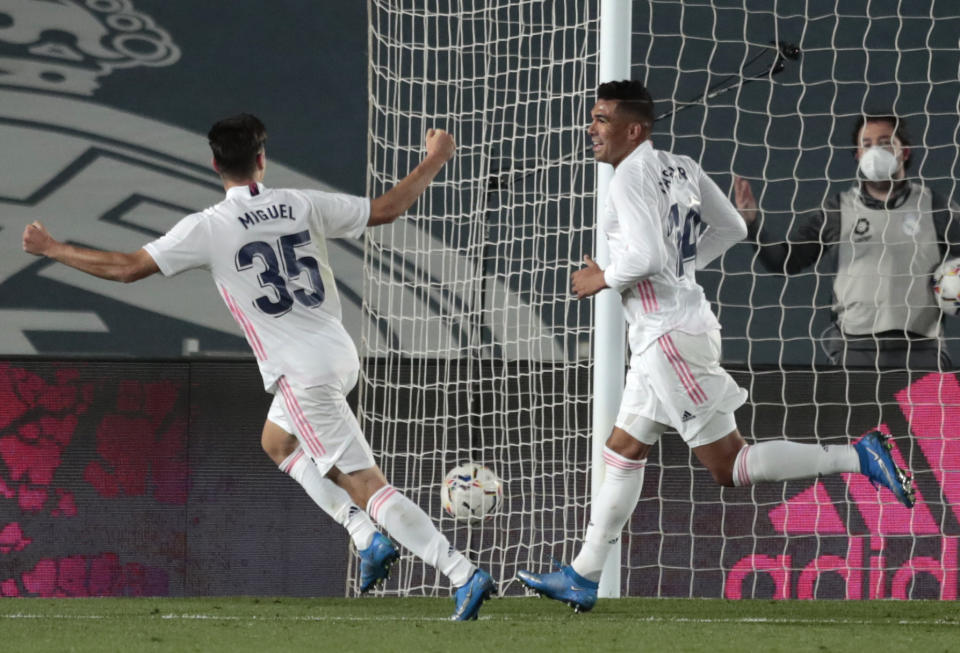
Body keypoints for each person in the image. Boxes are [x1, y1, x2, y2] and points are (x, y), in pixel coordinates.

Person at [21, 113, 494, 620]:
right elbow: (387, 209)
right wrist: (437, 158)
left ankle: (460, 572)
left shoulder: (208, 227)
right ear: (261, 161)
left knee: (364, 483)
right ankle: (365, 537)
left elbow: (129, 268)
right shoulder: (299, 202)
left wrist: (52, 249)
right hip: (339, 353)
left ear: (214, 165)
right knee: (277, 442)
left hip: (301, 373)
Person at [515, 81, 915, 613]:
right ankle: (583, 575)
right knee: (623, 447)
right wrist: (683, 270)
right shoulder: (679, 165)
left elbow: (647, 256)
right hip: (669, 329)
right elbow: (730, 227)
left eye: (602, 119)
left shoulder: (627, 179)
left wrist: (603, 277)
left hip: (668, 338)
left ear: (633, 129)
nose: (592, 129)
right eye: (593, 117)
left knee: (729, 466)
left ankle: (855, 455)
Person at [734, 113, 960, 369]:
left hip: (922, 350)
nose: (876, 151)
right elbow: (783, 261)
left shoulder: (936, 207)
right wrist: (753, 224)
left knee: (939, 413)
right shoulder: (837, 211)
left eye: (885, 143)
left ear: (904, 152)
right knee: (854, 411)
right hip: (855, 350)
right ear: (858, 155)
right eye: (867, 144)